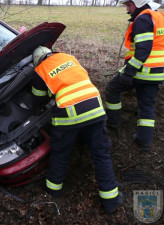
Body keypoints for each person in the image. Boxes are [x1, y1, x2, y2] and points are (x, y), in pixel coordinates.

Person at [31, 46, 123, 214]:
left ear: (37, 60)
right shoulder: (69, 58)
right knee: (101, 154)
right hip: (94, 107)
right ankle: (111, 200)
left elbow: (37, 98)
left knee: (61, 152)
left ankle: (53, 189)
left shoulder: (39, 69)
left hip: (68, 113)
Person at [105, 0, 164, 151]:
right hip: (157, 72)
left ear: (138, 3)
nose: (127, 9)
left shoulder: (143, 19)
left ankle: (112, 123)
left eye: (129, 5)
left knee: (112, 88)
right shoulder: (158, 16)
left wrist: (128, 72)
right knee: (147, 105)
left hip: (142, 71)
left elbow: (142, 52)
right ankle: (144, 141)